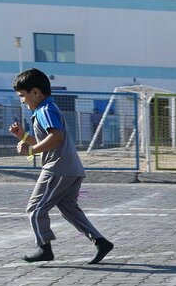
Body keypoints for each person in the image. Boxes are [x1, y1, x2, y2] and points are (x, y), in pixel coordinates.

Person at [9, 68, 113, 264]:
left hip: (58, 168)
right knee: (69, 210)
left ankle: (44, 247)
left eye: (23, 96)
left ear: (36, 93)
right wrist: (22, 136)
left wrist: (30, 152)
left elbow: (56, 137)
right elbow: (46, 139)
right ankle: (101, 242)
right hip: (71, 169)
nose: (22, 100)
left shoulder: (45, 110)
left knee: (35, 208)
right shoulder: (47, 109)